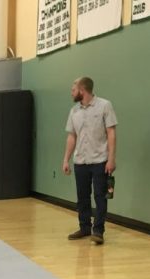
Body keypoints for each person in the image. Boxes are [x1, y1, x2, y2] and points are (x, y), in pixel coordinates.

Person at [63, 77, 117, 245]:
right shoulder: (74, 111)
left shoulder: (104, 106)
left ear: (82, 90)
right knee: (82, 197)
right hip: (80, 161)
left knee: (101, 196)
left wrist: (111, 159)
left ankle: (98, 231)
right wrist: (66, 159)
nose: (71, 92)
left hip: (100, 159)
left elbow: (111, 133)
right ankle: (85, 227)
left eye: (74, 89)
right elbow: (72, 136)